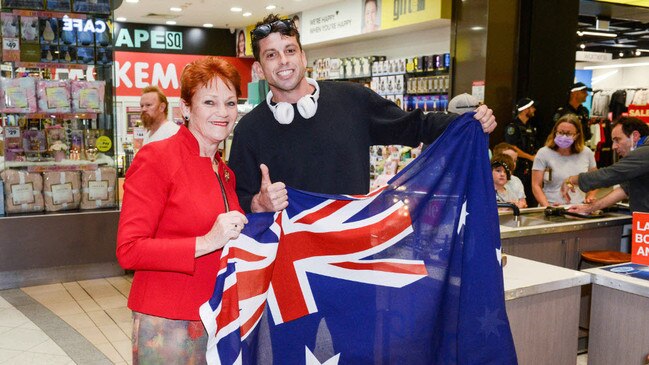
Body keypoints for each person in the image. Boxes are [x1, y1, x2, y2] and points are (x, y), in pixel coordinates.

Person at [228, 14, 497, 214]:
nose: (284, 61)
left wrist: (469, 122)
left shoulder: (352, 100)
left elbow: (416, 126)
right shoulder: (249, 130)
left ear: (303, 57)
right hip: (293, 267)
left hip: (353, 253)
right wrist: (258, 203)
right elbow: (237, 200)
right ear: (260, 70)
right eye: (271, 55)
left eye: (290, 50)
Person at [117, 57, 248, 363]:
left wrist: (259, 207)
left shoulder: (224, 172)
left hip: (217, 317)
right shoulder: (157, 158)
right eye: (210, 102)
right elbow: (129, 250)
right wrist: (207, 241)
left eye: (230, 103)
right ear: (186, 108)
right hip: (168, 323)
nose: (223, 113)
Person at [563, 117, 649, 214]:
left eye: (617, 140)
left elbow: (610, 174)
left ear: (635, 136)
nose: (613, 147)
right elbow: (624, 189)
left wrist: (572, 179)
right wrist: (589, 208)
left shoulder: (645, 152)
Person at [531, 114, 597, 206]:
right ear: (555, 132)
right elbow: (536, 185)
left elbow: (595, 180)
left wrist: (590, 197)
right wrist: (547, 207)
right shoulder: (543, 153)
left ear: (577, 135)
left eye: (569, 134)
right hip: (551, 205)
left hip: (579, 206)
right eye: (561, 132)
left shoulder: (586, 152)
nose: (564, 137)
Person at [503, 97, 538, 206]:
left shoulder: (530, 127)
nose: (534, 110)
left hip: (530, 168)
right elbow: (512, 147)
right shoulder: (513, 127)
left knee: (530, 197)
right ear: (525, 109)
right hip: (518, 167)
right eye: (532, 107)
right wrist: (530, 157)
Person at [493, 142, 527, 208]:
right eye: (508, 159)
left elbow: (523, 204)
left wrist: (519, 205)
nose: (512, 163)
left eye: (515, 160)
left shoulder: (516, 181)